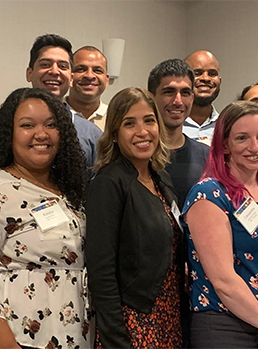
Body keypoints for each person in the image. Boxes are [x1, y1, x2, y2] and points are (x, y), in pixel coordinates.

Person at [0, 87, 92, 349]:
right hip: (15, 340)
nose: (41, 134)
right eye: (28, 125)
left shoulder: (71, 195)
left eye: (51, 125)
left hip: (74, 339)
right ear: (9, 134)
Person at [183, 101, 258, 348]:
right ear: (224, 144)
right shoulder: (208, 195)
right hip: (224, 326)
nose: (255, 147)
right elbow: (224, 281)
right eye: (242, 138)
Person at [86, 87, 184, 348]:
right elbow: (101, 270)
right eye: (130, 123)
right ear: (115, 134)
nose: (142, 131)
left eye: (149, 120)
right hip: (132, 321)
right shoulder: (108, 183)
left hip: (169, 314)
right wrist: (115, 337)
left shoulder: (161, 178)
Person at [26, 34, 102, 170]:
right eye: (45, 64)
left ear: (71, 78)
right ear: (29, 73)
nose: (55, 71)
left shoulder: (92, 135)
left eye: (62, 66)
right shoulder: (11, 124)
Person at [148, 58, 210, 201]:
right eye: (169, 92)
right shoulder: (140, 153)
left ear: (192, 98)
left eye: (185, 93)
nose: (178, 101)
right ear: (151, 97)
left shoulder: (206, 156)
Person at [67, 46, 110, 130]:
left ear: (106, 80)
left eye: (97, 70)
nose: (89, 76)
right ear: (70, 76)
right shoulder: (53, 114)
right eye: (81, 69)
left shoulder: (116, 118)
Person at [184, 50, 222, 144]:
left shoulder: (227, 126)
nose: (205, 78)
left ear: (220, 81)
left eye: (212, 74)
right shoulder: (167, 126)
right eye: (197, 73)